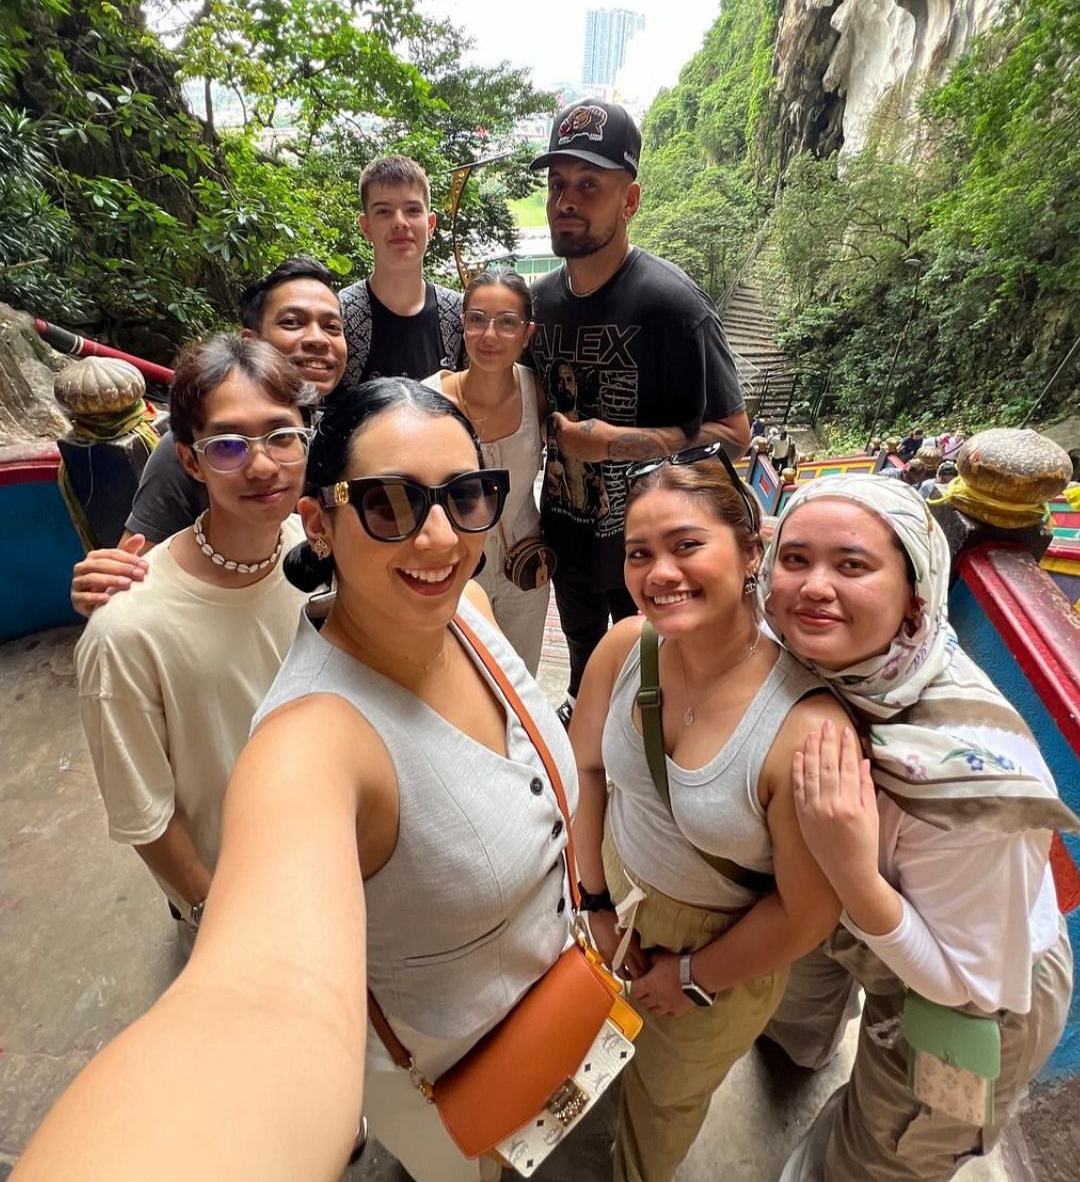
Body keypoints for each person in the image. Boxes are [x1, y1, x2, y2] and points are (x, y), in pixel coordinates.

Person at [252, 377, 577, 1181]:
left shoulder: (469, 608)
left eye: (467, 496)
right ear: (319, 524)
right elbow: (246, 982)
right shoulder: (315, 739)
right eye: (389, 505)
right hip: (448, 1076)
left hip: (554, 1000)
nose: (439, 539)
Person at [758, 475, 1075, 1182]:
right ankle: (798, 1049)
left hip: (972, 995)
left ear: (914, 591)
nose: (813, 586)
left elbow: (966, 984)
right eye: (795, 557)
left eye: (852, 564)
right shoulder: (820, 666)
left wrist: (851, 872)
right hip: (864, 912)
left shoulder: (963, 784)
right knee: (797, 1001)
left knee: (884, 1152)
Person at [570, 445, 848, 1182]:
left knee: (663, 1102)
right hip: (615, 895)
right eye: (639, 552)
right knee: (587, 1045)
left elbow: (806, 912)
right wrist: (592, 898)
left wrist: (693, 975)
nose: (660, 572)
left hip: (720, 947)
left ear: (751, 550)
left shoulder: (801, 726)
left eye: (687, 544)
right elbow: (588, 771)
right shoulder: (626, 646)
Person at [74, 335, 315, 937]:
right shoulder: (128, 626)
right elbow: (143, 812)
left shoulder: (320, 557)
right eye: (228, 445)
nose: (261, 465)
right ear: (189, 461)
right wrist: (220, 918)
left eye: (280, 436)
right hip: (233, 899)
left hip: (330, 862)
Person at [527, 99, 750, 718]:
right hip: (568, 540)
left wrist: (612, 443)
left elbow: (734, 435)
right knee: (582, 679)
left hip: (652, 553)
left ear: (630, 201)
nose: (566, 200)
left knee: (653, 689)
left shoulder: (671, 306)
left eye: (589, 185)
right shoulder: (538, 305)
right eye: (557, 185)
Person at [69, 255, 346, 614]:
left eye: (332, 327)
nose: (316, 339)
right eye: (292, 322)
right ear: (250, 341)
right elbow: (133, 571)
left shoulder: (346, 435)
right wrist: (105, 590)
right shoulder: (191, 449)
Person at [423, 266, 550, 672]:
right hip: (454, 569)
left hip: (525, 568)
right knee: (458, 677)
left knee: (520, 678)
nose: (490, 335)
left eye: (507, 323)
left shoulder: (538, 393)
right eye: (477, 319)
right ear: (463, 325)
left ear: (527, 334)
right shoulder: (428, 399)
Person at [339, 154, 465, 387]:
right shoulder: (342, 315)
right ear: (366, 227)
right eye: (384, 212)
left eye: (412, 210)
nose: (399, 222)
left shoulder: (457, 315)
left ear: (430, 225)